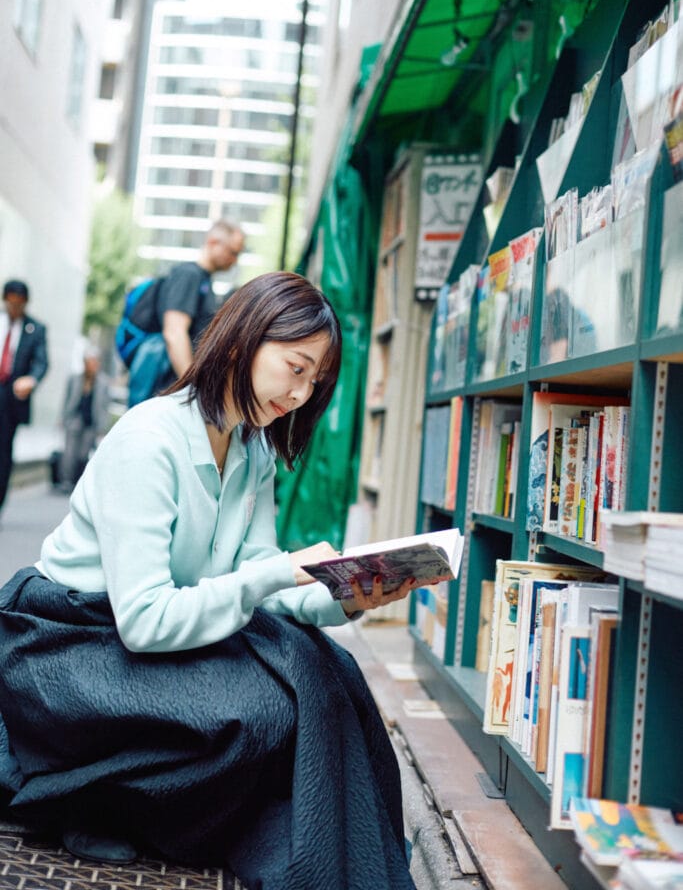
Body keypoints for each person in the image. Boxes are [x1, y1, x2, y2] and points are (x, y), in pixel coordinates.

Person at [0, 272, 436, 890]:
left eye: (316, 381)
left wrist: (345, 596)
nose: (301, 395)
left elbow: (257, 572)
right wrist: (276, 570)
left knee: (324, 669)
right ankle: (85, 793)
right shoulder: (149, 439)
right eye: (296, 367)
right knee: (255, 708)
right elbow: (148, 620)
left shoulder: (252, 450)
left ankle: (295, 846)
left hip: (144, 628)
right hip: (68, 641)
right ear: (244, 338)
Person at [128, 218, 245, 407]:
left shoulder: (203, 280)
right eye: (233, 252)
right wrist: (192, 389)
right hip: (165, 390)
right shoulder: (189, 275)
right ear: (213, 242)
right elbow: (174, 333)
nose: (235, 260)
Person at [0, 279, 48, 515]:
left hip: (10, 400)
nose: (14, 308)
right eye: (10, 303)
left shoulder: (35, 329)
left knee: (3, 454)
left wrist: (31, 379)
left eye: (19, 304)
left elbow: (42, 362)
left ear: (26, 303)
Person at [58, 345, 110, 492]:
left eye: (94, 361)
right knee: (69, 452)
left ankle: (78, 482)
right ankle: (66, 481)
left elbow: (105, 406)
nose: (92, 365)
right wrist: (62, 418)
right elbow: (66, 399)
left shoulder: (103, 382)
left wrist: (102, 426)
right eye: (89, 361)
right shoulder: (74, 379)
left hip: (91, 422)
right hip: (74, 419)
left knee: (83, 454)